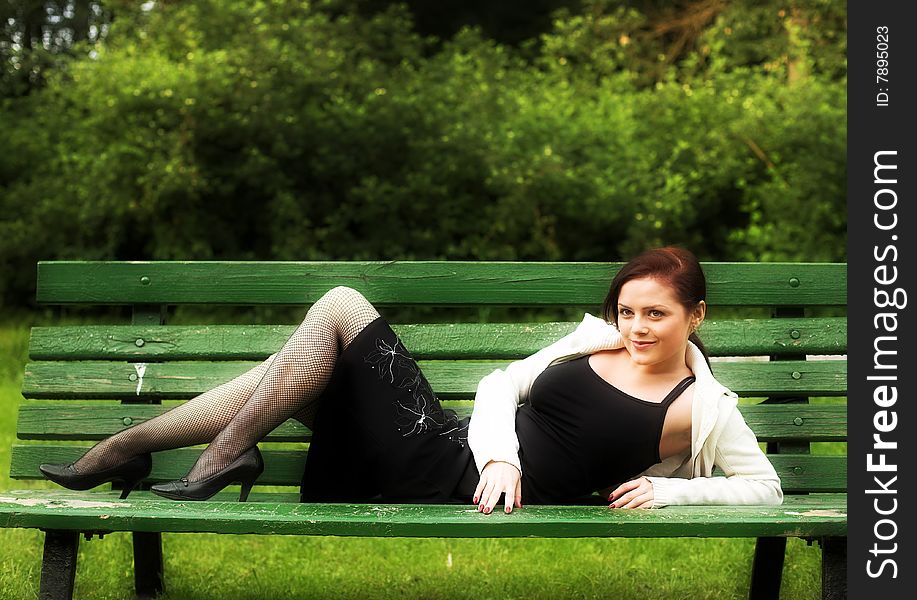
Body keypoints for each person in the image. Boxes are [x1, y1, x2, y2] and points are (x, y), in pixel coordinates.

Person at [39, 247, 783, 514]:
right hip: (456, 450)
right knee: (310, 359)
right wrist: (500, 456)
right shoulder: (591, 341)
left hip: (444, 477)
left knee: (337, 309)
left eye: (655, 314)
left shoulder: (702, 406)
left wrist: (672, 489)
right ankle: (140, 446)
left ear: (695, 315)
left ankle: (166, 451)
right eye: (627, 310)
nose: (636, 327)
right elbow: (498, 387)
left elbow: (765, 489)